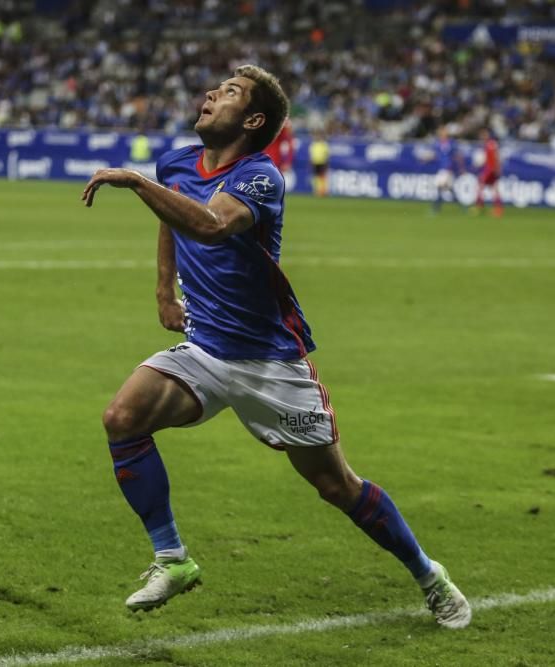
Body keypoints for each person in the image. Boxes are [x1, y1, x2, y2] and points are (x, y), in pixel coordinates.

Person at [80, 64, 471, 628]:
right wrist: (165, 291)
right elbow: (171, 214)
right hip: (206, 350)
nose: (212, 93)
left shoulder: (261, 178)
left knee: (338, 486)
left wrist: (137, 182)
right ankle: (173, 559)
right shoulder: (176, 162)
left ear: (254, 119)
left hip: (270, 363)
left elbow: (212, 225)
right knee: (122, 417)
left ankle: (429, 574)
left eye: (231, 92)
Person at [430, 126, 464, 214]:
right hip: (442, 169)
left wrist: (460, 168)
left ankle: (436, 208)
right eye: (441, 133)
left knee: (440, 187)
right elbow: (436, 156)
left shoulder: (451, 143)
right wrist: (427, 159)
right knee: (448, 189)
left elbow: (457, 156)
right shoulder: (437, 144)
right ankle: (462, 207)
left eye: (444, 132)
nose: (442, 134)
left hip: (448, 169)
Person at [474, 129, 502, 217]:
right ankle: (498, 209)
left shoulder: (491, 144)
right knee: (494, 188)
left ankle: (479, 206)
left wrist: (497, 168)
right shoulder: (488, 145)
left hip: (490, 169)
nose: (482, 137)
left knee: (480, 186)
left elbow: (496, 156)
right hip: (490, 168)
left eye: (484, 135)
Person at [308, 131, 330, 196]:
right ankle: (317, 190)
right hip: (315, 162)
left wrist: (327, 163)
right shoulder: (313, 144)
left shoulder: (324, 144)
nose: (318, 137)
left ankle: (324, 191)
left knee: (322, 177)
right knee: (316, 177)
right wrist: (310, 162)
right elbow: (311, 155)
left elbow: (327, 154)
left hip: (322, 162)